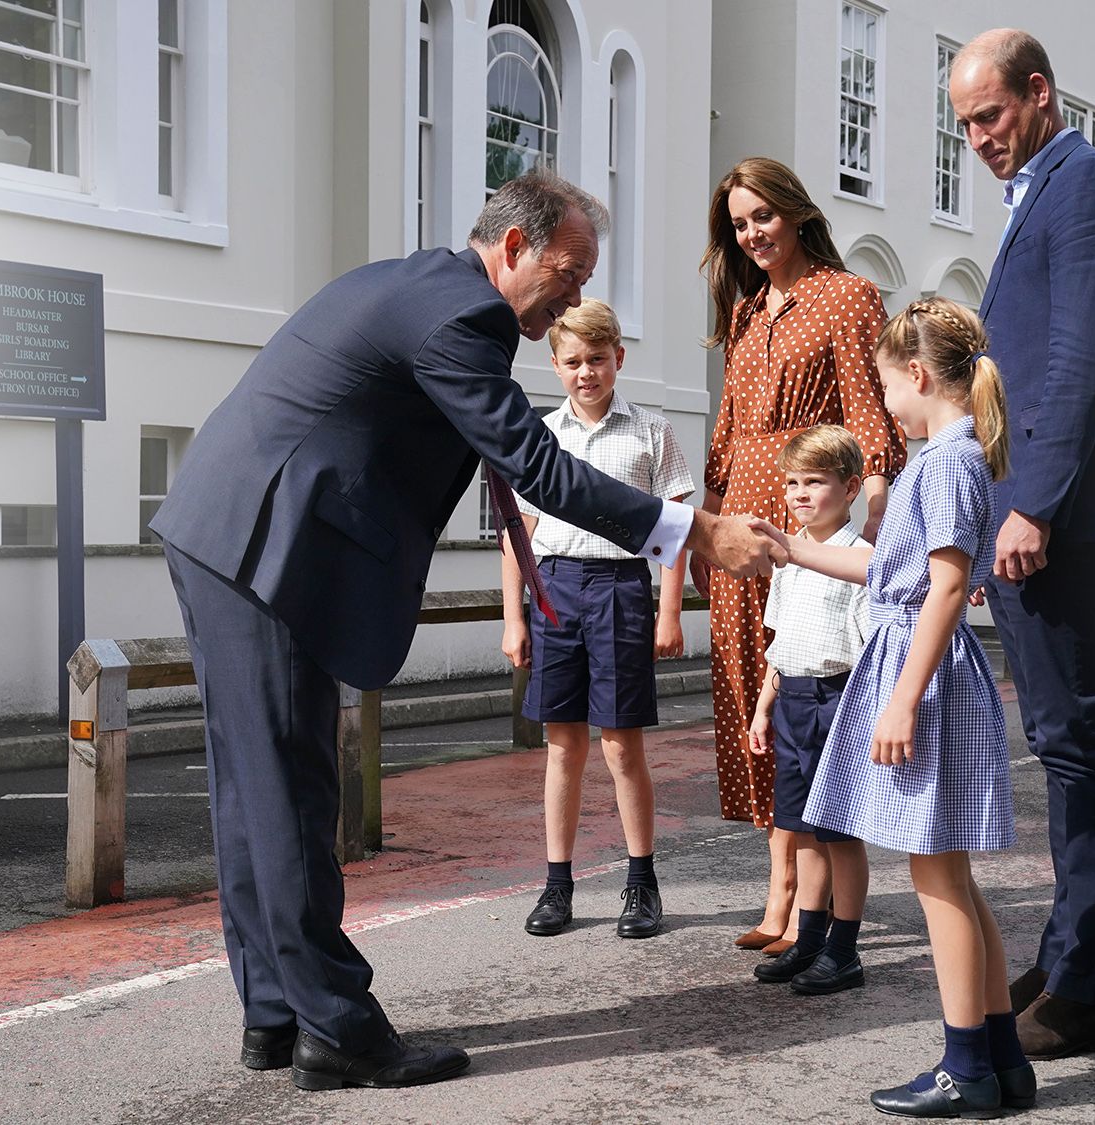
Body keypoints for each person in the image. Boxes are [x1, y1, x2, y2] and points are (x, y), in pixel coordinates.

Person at [147, 171, 781, 1094]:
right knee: (287, 791)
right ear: (515, 248)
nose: (575, 296)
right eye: (568, 273)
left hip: (228, 531)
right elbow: (537, 467)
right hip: (264, 547)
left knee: (254, 792)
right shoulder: (463, 319)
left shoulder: (423, 285)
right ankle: (337, 1030)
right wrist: (696, 530)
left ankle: (278, 1014)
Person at [764, 298, 1035, 1118]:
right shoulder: (947, 456)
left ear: (917, 376)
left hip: (924, 673)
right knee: (948, 873)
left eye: (887, 389)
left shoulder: (944, 462)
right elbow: (897, 576)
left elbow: (947, 586)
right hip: (917, 661)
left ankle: (966, 1066)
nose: (885, 404)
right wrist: (793, 549)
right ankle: (998, 1058)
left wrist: (902, 700)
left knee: (936, 876)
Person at [949, 30, 1095, 1060]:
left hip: (1051, 518)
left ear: (1038, 93)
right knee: (1059, 741)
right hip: (1034, 513)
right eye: (962, 125)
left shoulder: (1089, 182)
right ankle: (1063, 958)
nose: (976, 138)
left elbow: (1079, 358)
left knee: (1075, 747)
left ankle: (1082, 990)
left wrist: (1027, 504)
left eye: (988, 115)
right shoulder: (1043, 189)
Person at [698, 157, 906, 955]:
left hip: (805, 521)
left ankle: (800, 891)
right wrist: (706, 528)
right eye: (739, 223)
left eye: (762, 216)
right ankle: (780, 877)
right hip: (739, 528)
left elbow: (869, 410)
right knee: (756, 700)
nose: (752, 233)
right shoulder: (749, 312)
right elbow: (723, 437)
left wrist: (878, 514)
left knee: (806, 697)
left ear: (794, 211)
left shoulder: (847, 295)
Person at [498, 298, 694, 941]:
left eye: (598, 360)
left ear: (619, 359)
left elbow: (674, 531)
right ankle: (558, 885)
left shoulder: (651, 433)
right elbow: (517, 538)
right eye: (574, 362)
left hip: (620, 589)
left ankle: (642, 882)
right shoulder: (541, 437)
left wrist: (669, 610)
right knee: (563, 746)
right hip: (554, 589)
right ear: (554, 364)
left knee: (620, 744)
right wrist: (515, 619)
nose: (587, 372)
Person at [745, 425, 872, 995]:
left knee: (840, 834)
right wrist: (763, 708)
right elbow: (782, 645)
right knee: (800, 830)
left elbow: (873, 647)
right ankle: (810, 939)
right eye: (792, 481)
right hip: (794, 700)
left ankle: (844, 951)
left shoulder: (861, 559)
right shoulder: (788, 558)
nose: (799, 493)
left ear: (849, 489)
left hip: (838, 700)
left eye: (814, 482)